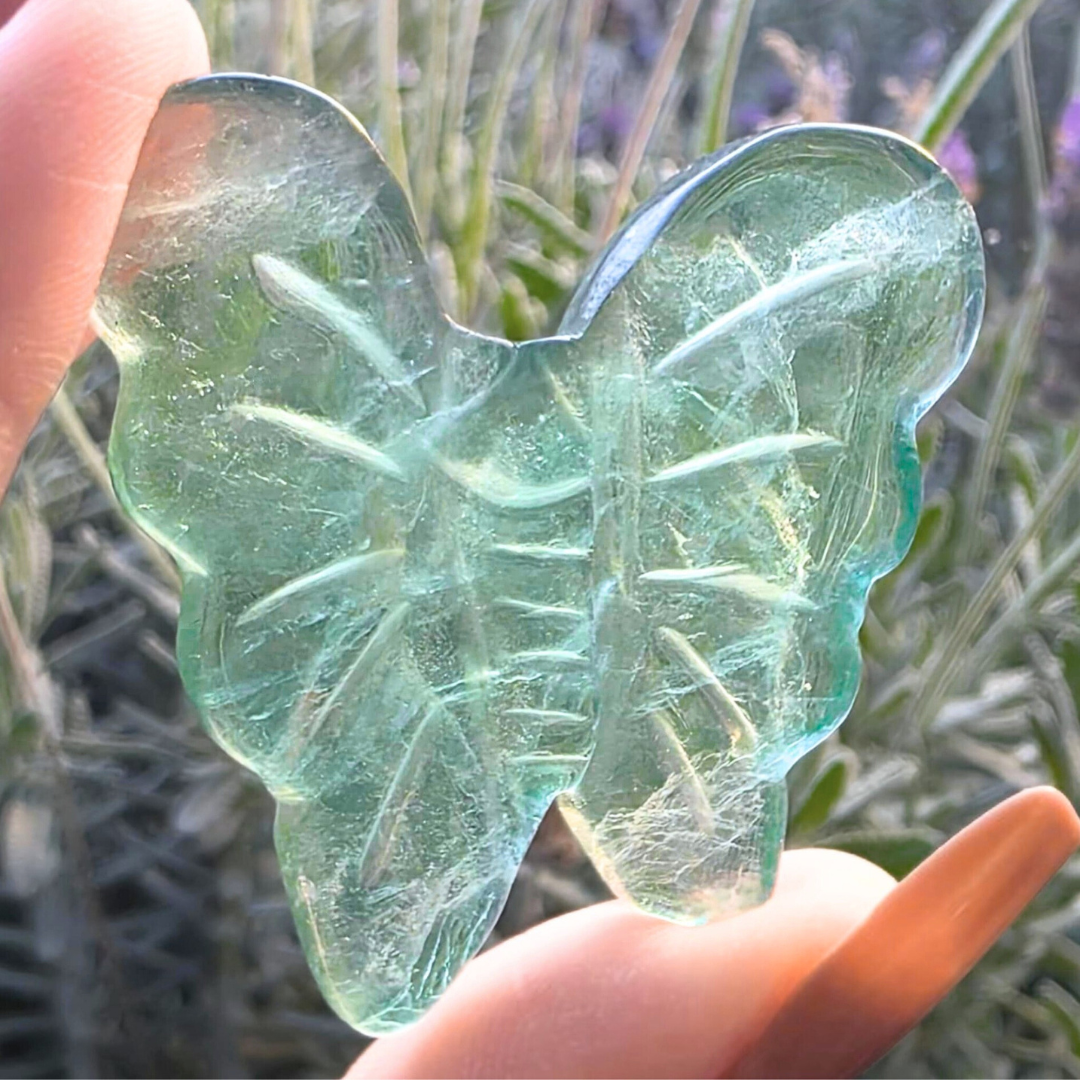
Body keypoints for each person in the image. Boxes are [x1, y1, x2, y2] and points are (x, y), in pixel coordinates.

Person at [1, 2, 1078, 1076]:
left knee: (664, 896)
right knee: (531, 916)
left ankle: (591, 859)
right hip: (577, 657)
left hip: (510, 659)